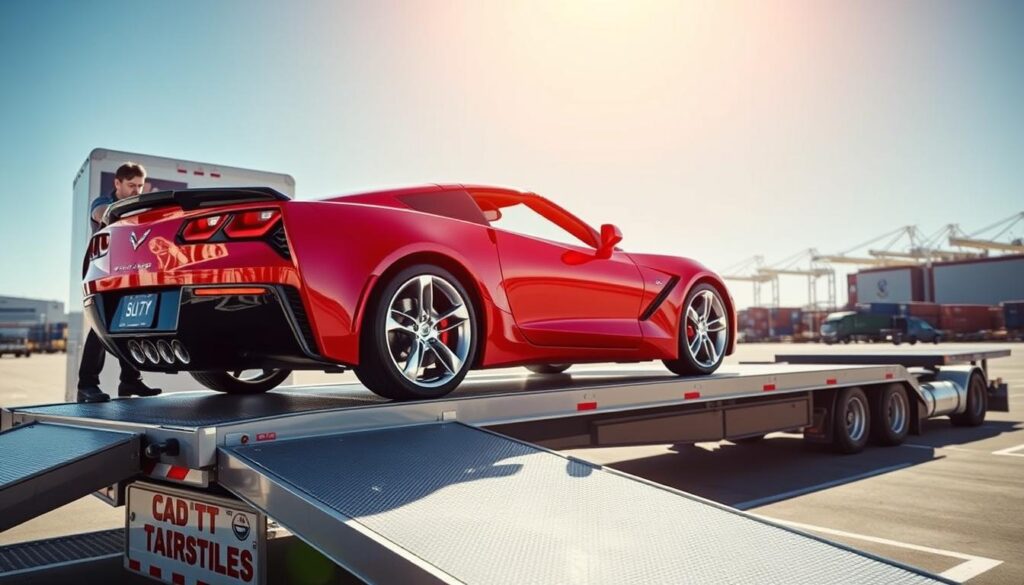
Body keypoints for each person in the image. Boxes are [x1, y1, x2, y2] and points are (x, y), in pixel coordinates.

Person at [77, 162, 162, 403]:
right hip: (105, 272)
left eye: (140, 186)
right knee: (100, 328)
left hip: (132, 272)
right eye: (131, 186)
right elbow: (101, 212)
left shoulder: (139, 205)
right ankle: (87, 385)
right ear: (117, 183)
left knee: (131, 325)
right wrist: (119, 210)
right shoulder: (102, 202)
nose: (137, 191)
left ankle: (130, 380)